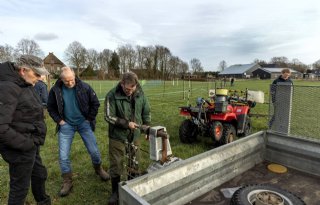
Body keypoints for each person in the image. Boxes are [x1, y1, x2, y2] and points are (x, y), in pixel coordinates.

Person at [47, 66, 109, 197]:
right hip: (66, 125)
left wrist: (89, 119)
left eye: (71, 80)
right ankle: (67, 181)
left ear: (74, 76)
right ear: (61, 79)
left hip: (83, 123)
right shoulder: (55, 90)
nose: (70, 83)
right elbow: (50, 107)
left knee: (94, 151)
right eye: (66, 81)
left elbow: (95, 103)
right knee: (63, 156)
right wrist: (59, 121)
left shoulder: (85, 87)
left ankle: (99, 169)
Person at [0, 55, 51, 205]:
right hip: (19, 147)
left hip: (30, 142)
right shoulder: (7, 87)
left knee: (40, 175)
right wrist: (26, 144)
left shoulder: (24, 83)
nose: (40, 77)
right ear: (23, 70)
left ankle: (43, 201)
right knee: (20, 188)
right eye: (36, 74)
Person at [104, 72, 151, 205]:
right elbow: (108, 116)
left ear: (136, 85)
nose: (129, 91)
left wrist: (147, 128)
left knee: (135, 161)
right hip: (117, 136)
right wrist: (126, 124)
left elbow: (146, 111)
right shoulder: (112, 95)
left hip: (135, 135)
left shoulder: (140, 93)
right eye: (126, 89)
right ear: (122, 83)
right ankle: (116, 192)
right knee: (116, 163)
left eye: (132, 88)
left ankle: (132, 188)